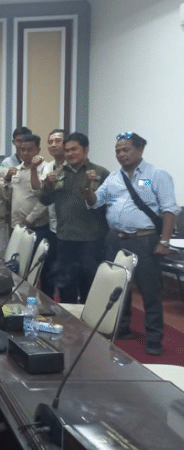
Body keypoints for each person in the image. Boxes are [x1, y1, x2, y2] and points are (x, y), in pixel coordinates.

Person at [86, 132, 178, 356]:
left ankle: (154, 338)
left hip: (144, 239)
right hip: (115, 239)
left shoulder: (156, 175)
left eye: (125, 149)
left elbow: (169, 210)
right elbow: (95, 202)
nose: (121, 154)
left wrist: (164, 241)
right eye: (117, 150)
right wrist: (87, 187)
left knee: (149, 290)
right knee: (119, 285)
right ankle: (123, 327)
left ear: (139, 149)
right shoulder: (113, 178)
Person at [39, 132, 109, 304]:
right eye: (67, 150)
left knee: (89, 285)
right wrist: (47, 186)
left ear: (85, 150)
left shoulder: (100, 172)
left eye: (74, 149)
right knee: (65, 286)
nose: (70, 153)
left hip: (91, 240)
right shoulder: (58, 173)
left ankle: (88, 319)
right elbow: (45, 200)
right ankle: (68, 318)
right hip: (65, 239)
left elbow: (108, 205)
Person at [30, 129, 67, 297]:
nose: (53, 145)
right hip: (53, 227)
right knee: (48, 271)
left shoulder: (72, 167)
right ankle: (47, 304)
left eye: (57, 141)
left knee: (66, 275)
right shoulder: (48, 167)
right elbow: (40, 191)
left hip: (70, 230)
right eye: (50, 142)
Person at [7, 134, 48, 236]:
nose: (25, 153)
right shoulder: (16, 170)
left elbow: (45, 199)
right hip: (16, 226)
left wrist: (30, 219)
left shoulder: (46, 168)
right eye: (22, 149)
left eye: (29, 150)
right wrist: (6, 178)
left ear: (38, 150)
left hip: (37, 226)